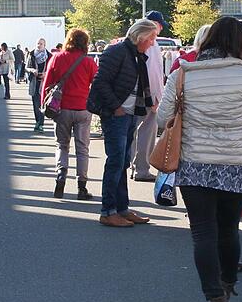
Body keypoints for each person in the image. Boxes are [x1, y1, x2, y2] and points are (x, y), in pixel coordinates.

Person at [157, 17, 242, 302]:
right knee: (229, 229)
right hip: (237, 163)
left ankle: (215, 300)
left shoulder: (182, 73)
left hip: (194, 162)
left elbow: (164, 116)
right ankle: (228, 285)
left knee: (203, 232)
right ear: (240, 43)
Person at [86, 19, 158, 227]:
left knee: (122, 162)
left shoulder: (136, 54)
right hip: (117, 114)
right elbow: (100, 82)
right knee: (116, 161)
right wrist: (116, 107)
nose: (153, 43)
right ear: (141, 36)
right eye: (151, 38)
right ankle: (108, 211)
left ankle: (121, 208)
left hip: (129, 114)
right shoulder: (117, 51)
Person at [42, 28, 99, 199]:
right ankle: (82, 187)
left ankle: (60, 175)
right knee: (82, 149)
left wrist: (44, 102)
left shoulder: (57, 58)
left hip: (62, 109)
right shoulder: (89, 62)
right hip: (83, 108)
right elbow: (97, 84)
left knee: (62, 145)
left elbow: (47, 84)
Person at [131, 11, 167, 182]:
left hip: (135, 95)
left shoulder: (135, 40)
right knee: (146, 133)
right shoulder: (152, 44)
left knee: (133, 131)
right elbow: (153, 73)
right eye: (160, 25)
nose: (161, 29)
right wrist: (156, 97)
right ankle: (142, 169)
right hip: (148, 96)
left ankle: (132, 165)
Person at [27, 38, 52, 133]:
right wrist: (33, 70)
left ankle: (41, 124)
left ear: (45, 45)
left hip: (44, 83)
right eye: (38, 43)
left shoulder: (49, 56)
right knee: (35, 104)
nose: (39, 45)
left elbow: (52, 69)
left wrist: (46, 73)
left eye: (41, 44)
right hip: (34, 82)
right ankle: (37, 121)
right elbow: (27, 67)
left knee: (42, 104)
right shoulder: (31, 54)